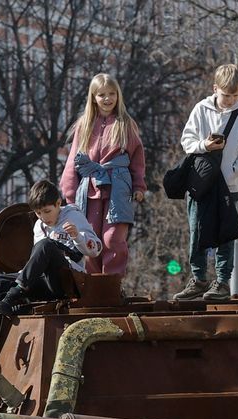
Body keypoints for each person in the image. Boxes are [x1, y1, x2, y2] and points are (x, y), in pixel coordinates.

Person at [0, 182, 99, 354]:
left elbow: (95, 250)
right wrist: (20, 275)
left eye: (47, 211)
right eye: (38, 213)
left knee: (46, 245)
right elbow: (36, 260)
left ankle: (15, 293)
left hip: (67, 281)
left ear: (58, 203)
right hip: (43, 281)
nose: (43, 217)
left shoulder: (73, 216)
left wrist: (78, 237)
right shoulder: (38, 226)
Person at [172, 63, 238, 304]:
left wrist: (236, 169)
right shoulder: (201, 109)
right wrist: (204, 146)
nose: (230, 100)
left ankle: (222, 282)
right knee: (196, 232)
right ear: (215, 89)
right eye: (226, 95)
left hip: (229, 186)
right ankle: (198, 279)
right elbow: (187, 140)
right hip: (201, 184)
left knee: (226, 235)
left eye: (235, 96)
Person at [59, 73, 146, 276]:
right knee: (89, 240)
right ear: (93, 97)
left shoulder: (126, 124)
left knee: (112, 239)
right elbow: (74, 159)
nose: (107, 99)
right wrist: (69, 192)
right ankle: (94, 285)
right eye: (102, 94)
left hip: (118, 189)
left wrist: (139, 186)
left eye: (112, 94)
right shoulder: (84, 124)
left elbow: (137, 159)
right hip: (89, 190)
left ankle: (112, 284)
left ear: (118, 95)